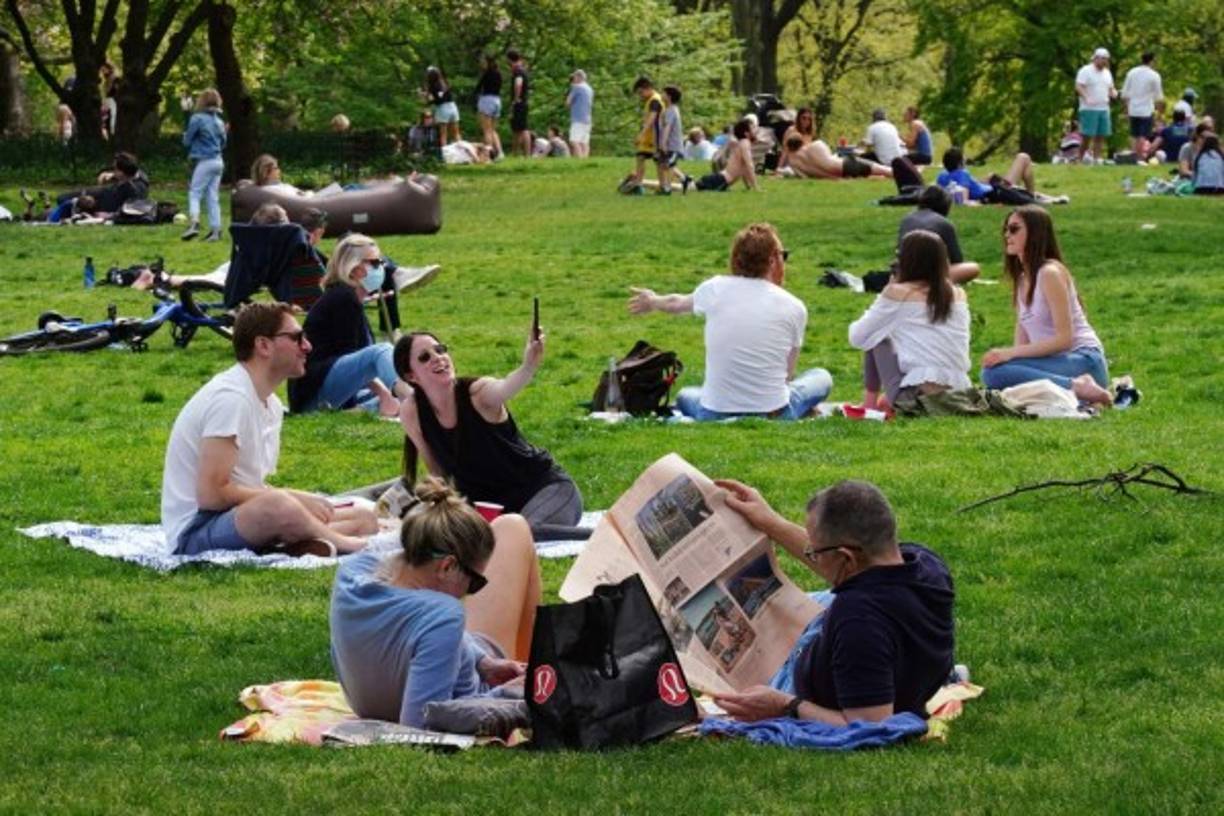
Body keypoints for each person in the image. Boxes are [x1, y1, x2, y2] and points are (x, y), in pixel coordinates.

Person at [711, 479, 955, 724]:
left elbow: (870, 723)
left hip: (799, 682)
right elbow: (852, 566)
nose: (812, 556)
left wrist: (784, 705)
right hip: (884, 657)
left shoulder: (858, 620)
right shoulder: (926, 565)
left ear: (846, 558)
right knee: (767, 605)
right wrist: (770, 521)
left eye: (815, 552)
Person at [161, 302, 377, 556]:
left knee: (365, 515)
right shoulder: (230, 399)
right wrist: (291, 498)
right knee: (278, 506)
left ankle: (300, 544)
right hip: (196, 531)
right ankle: (352, 545)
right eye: (296, 338)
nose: (307, 346)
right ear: (263, 345)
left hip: (238, 517)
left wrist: (299, 500)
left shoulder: (271, 404)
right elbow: (211, 494)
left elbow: (248, 484)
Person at [329, 477, 541, 728]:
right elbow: (423, 723)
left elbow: (410, 634)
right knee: (513, 527)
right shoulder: (442, 615)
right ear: (447, 566)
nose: (468, 595)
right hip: (474, 697)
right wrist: (511, 693)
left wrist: (482, 661)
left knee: (509, 528)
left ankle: (532, 663)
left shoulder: (352, 573)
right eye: (474, 583)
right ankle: (538, 667)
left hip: (369, 704)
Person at [391, 329, 586, 538]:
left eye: (440, 350)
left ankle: (603, 536)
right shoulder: (412, 412)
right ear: (411, 376)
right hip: (491, 510)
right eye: (425, 357)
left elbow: (506, 387)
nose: (438, 358)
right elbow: (436, 473)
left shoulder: (478, 393)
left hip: (545, 490)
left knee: (522, 533)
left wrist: (528, 365)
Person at [628, 222, 831, 419]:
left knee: (686, 395)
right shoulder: (794, 306)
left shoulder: (715, 289)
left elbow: (676, 304)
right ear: (772, 261)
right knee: (821, 377)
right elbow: (787, 375)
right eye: (782, 256)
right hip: (774, 412)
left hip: (713, 412)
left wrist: (652, 301)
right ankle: (802, 409)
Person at [980, 206, 1112, 405]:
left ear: (1034, 233)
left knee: (993, 374)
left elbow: (1064, 340)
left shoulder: (1050, 273)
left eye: (1014, 229)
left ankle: (1079, 388)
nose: (1007, 235)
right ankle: (1075, 389)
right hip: (1054, 364)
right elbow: (1022, 344)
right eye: (1006, 229)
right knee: (995, 373)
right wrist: (1010, 360)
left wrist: (1009, 354)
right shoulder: (1022, 279)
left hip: (1084, 360)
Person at [849, 230, 971, 411]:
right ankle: (878, 402)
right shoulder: (958, 294)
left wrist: (885, 294)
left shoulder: (900, 293)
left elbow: (858, 337)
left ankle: (869, 403)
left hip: (915, 399)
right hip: (960, 394)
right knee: (882, 332)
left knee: (876, 335)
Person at [289, 234, 405, 416]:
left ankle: (356, 411)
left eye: (381, 262)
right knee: (381, 351)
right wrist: (383, 392)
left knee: (391, 397)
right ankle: (410, 398)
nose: (381, 268)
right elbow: (350, 357)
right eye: (374, 263)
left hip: (325, 389)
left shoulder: (349, 299)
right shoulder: (343, 298)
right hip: (314, 390)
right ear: (353, 267)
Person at [896, 186, 980, 285]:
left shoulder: (906, 219)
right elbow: (957, 259)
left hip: (903, 272)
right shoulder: (944, 223)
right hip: (930, 275)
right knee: (973, 268)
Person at [936, 147, 1067, 205]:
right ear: (960, 163)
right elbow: (964, 196)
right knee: (1023, 158)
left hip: (990, 188)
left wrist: (985, 180)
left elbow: (960, 188)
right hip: (995, 192)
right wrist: (973, 202)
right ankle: (1045, 199)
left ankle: (1048, 197)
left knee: (1016, 187)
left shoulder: (943, 176)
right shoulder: (962, 173)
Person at [182, 88, 226, 242]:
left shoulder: (197, 118)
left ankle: (194, 223)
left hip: (205, 160)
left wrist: (185, 135)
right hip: (219, 161)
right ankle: (216, 230)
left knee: (195, 193)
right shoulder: (219, 122)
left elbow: (187, 141)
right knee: (212, 197)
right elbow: (223, 143)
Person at [618, 76, 666, 194]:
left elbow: (651, 118)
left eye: (641, 92)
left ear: (648, 88)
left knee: (658, 161)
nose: (640, 96)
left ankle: (663, 186)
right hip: (649, 136)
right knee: (641, 157)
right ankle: (639, 185)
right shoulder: (652, 100)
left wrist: (641, 134)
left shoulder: (655, 100)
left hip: (654, 136)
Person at [783, 134, 892, 180]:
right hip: (846, 165)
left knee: (876, 173)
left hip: (840, 174)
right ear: (802, 141)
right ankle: (905, 171)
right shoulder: (815, 145)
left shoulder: (794, 163)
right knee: (886, 170)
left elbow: (805, 177)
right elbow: (829, 160)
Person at [1075, 48, 1117, 163]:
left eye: (1106, 59)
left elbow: (1110, 87)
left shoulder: (1107, 73)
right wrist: (1086, 97)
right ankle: (1079, 158)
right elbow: (1079, 86)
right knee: (1087, 136)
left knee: (1101, 135)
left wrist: (1113, 93)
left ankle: (1096, 159)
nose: (1104, 61)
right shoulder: (1086, 70)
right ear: (1095, 58)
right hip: (1089, 108)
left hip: (1104, 107)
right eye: (1102, 59)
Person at [1120, 52, 1164, 156]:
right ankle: (1139, 157)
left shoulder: (1131, 72)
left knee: (1133, 134)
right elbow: (1159, 97)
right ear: (1152, 61)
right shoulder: (1154, 75)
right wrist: (1159, 114)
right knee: (1143, 135)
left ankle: (1133, 155)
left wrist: (1126, 109)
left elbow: (1125, 93)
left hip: (1133, 108)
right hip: (1146, 110)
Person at [657, 85, 691, 193]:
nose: (661, 95)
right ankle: (684, 179)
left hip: (673, 145)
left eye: (664, 93)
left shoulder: (672, 110)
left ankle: (667, 187)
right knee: (662, 164)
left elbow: (667, 127)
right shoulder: (667, 110)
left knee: (669, 165)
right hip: (668, 143)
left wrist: (663, 143)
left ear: (669, 97)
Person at [474, 54, 504, 160]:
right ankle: (500, 153)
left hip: (487, 100)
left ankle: (488, 154)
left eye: (483, 62)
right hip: (497, 100)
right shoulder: (499, 74)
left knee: (486, 130)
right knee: (493, 130)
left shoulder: (487, 74)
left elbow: (478, 88)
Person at [424, 66, 460, 147]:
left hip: (442, 108)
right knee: (456, 133)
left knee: (443, 134)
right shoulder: (444, 83)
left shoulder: (432, 86)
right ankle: (461, 153)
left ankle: (445, 154)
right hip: (453, 106)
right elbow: (443, 96)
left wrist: (427, 99)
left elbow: (437, 100)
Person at [507, 49, 531, 157]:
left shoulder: (518, 71)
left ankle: (525, 153)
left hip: (519, 103)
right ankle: (516, 153)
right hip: (523, 102)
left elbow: (518, 84)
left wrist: (516, 99)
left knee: (522, 129)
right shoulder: (522, 70)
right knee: (518, 128)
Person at [776, 108, 815, 173]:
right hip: (793, 162)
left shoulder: (809, 134)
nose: (806, 121)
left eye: (809, 119)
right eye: (804, 118)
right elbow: (785, 151)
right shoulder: (791, 130)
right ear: (799, 118)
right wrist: (778, 168)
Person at [566, 69, 593, 158]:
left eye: (574, 77)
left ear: (579, 77)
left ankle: (580, 159)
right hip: (588, 119)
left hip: (578, 118)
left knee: (574, 141)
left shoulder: (577, 87)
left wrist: (571, 90)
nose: (573, 79)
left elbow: (568, 102)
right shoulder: (590, 89)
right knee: (584, 142)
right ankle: (585, 159)